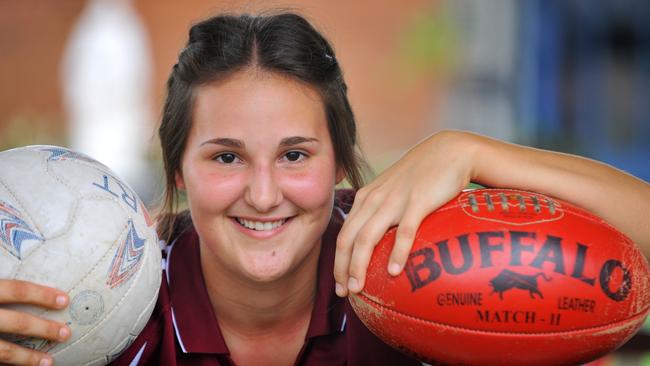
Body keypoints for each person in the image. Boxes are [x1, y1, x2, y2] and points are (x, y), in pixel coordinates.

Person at [0, 11, 649, 366]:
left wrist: (469, 150)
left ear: (340, 163)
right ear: (176, 172)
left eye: (295, 155)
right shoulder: (104, 299)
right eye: (226, 156)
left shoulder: (408, 258)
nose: (262, 193)